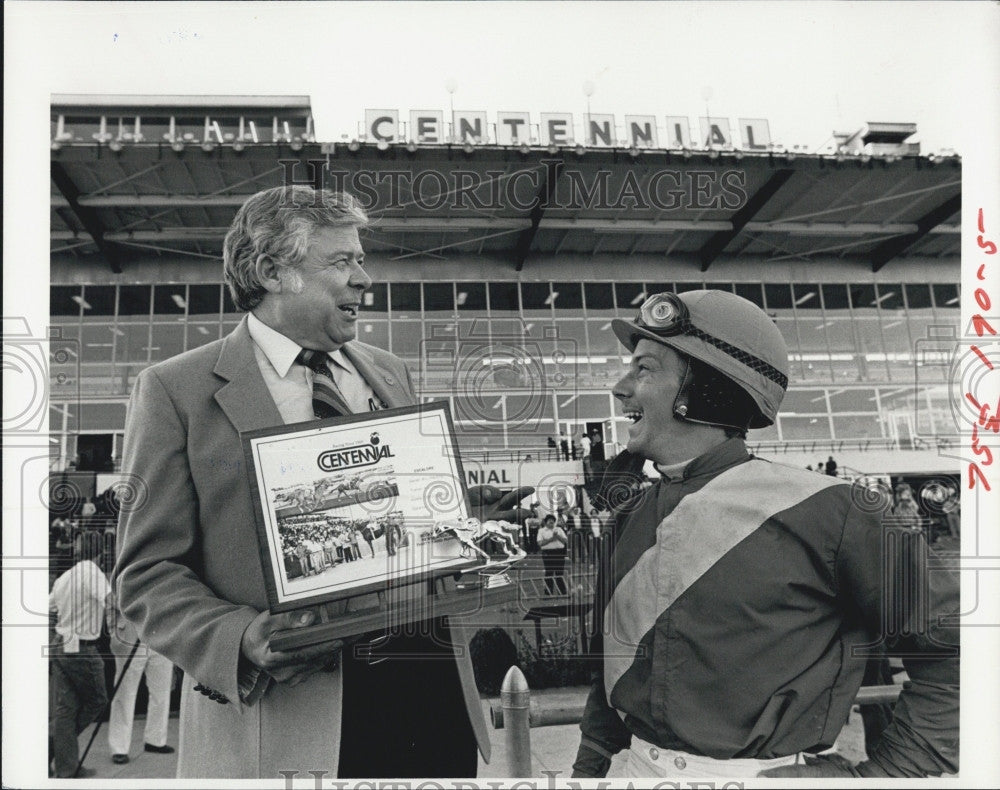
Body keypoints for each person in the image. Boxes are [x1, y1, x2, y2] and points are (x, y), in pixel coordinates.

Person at [113, 186, 531, 779]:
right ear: (272, 272)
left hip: (432, 694)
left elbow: (393, 514)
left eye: (360, 259)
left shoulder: (388, 369)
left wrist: (454, 510)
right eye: (342, 262)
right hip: (298, 720)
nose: (364, 278)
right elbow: (146, 573)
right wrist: (242, 638)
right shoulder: (175, 391)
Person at [572, 289, 959, 780]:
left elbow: (956, 653)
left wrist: (884, 776)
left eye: (644, 369)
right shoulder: (628, 517)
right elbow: (610, 682)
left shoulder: (838, 511)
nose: (619, 387)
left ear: (703, 391)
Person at [48, 549, 110, 778]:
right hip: (82, 648)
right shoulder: (92, 571)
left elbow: (49, 607)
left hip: (60, 643)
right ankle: (58, 747)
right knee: (98, 700)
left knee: (66, 709)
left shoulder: (64, 577)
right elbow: (110, 599)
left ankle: (64, 764)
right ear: (101, 556)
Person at [107, 592, 175, 764]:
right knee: (124, 694)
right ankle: (119, 747)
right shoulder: (123, 568)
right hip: (130, 637)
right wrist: (113, 631)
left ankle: (155, 739)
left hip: (160, 636)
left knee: (161, 691)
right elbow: (110, 600)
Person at [537, 514, 568, 595]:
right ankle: (548, 591)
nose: (551, 522)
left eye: (552, 521)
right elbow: (540, 543)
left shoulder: (559, 529)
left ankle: (562, 591)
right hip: (548, 553)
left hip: (559, 552)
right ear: (545, 522)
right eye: (549, 520)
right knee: (549, 572)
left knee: (559, 572)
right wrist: (551, 539)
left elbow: (565, 541)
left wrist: (557, 536)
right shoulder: (541, 531)